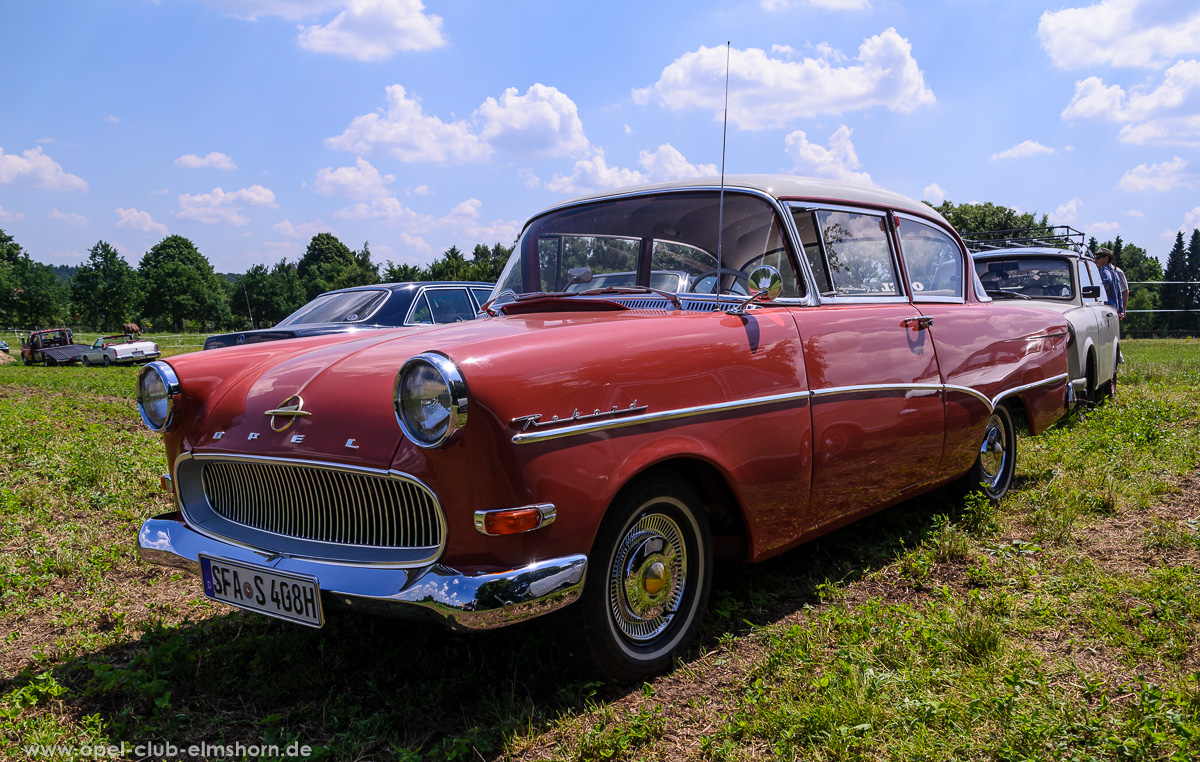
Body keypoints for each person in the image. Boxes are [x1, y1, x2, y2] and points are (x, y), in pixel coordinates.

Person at [1094, 248, 1123, 315]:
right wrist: (1121, 310)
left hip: (1107, 305)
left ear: (1106, 258)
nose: (1096, 261)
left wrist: (1099, 288)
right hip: (1115, 307)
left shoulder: (1104, 269)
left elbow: (1108, 280)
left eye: (1098, 258)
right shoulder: (1114, 271)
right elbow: (1119, 292)